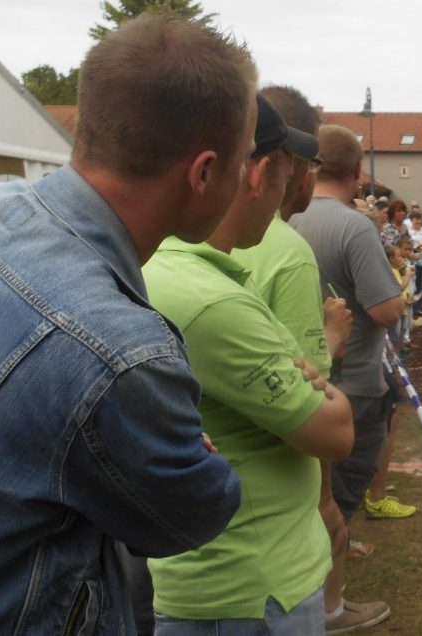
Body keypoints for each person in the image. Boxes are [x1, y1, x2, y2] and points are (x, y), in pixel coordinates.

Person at [0, 16, 251, 633]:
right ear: (203, 173)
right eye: (245, 160)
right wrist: (176, 440)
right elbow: (189, 513)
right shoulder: (121, 355)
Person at [142, 94, 361, 633]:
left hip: (221, 572)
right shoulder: (214, 303)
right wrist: (322, 382)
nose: (287, 200)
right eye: (288, 177)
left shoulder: (168, 265)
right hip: (253, 589)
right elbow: (334, 431)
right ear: (260, 173)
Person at [289, 124, 404, 629]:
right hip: (351, 381)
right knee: (335, 503)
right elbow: (384, 310)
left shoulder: (282, 218)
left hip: (298, 379)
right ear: (358, 174)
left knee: (313, 495)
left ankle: (319, 594)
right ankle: (325, 605)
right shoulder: (354, 226)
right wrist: (399, 290)